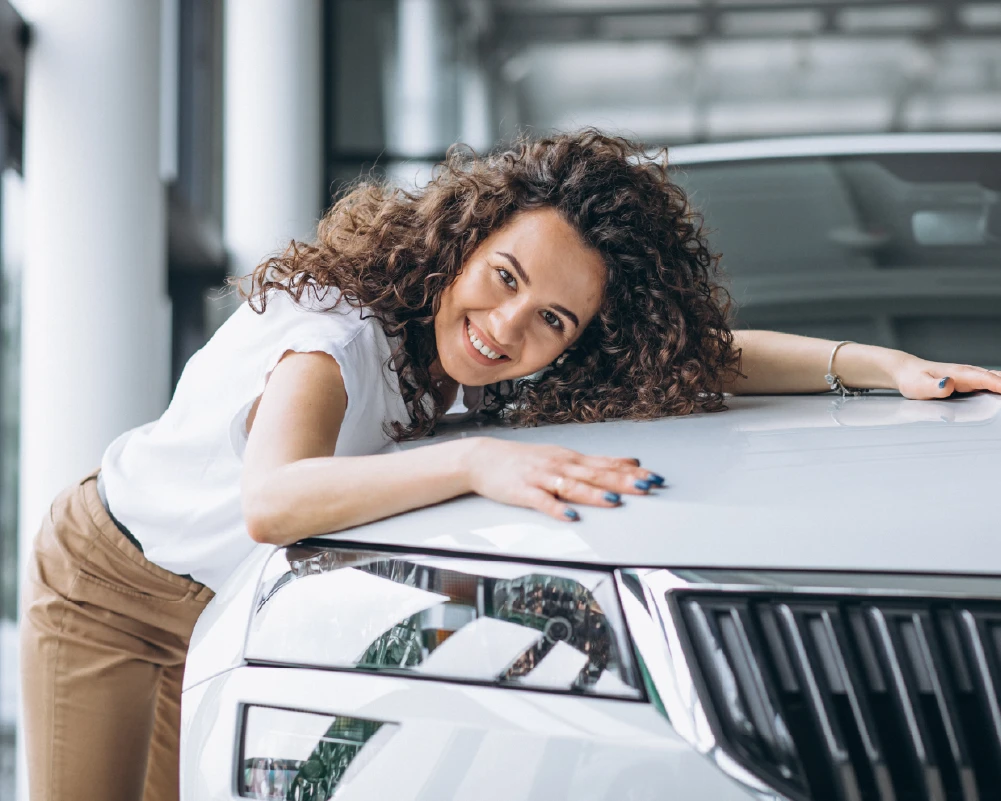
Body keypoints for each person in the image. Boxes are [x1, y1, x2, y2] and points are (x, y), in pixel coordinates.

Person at [19, 130, 1001, 800]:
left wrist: (874, 366)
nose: (505, 329)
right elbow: (275, 500)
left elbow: (711, 361)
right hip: (111, 585)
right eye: (505, 279)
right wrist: (476, 463)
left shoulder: (477, 360)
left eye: (553, 322)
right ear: (466, 237)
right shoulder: (338, 330)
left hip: (223, 608)